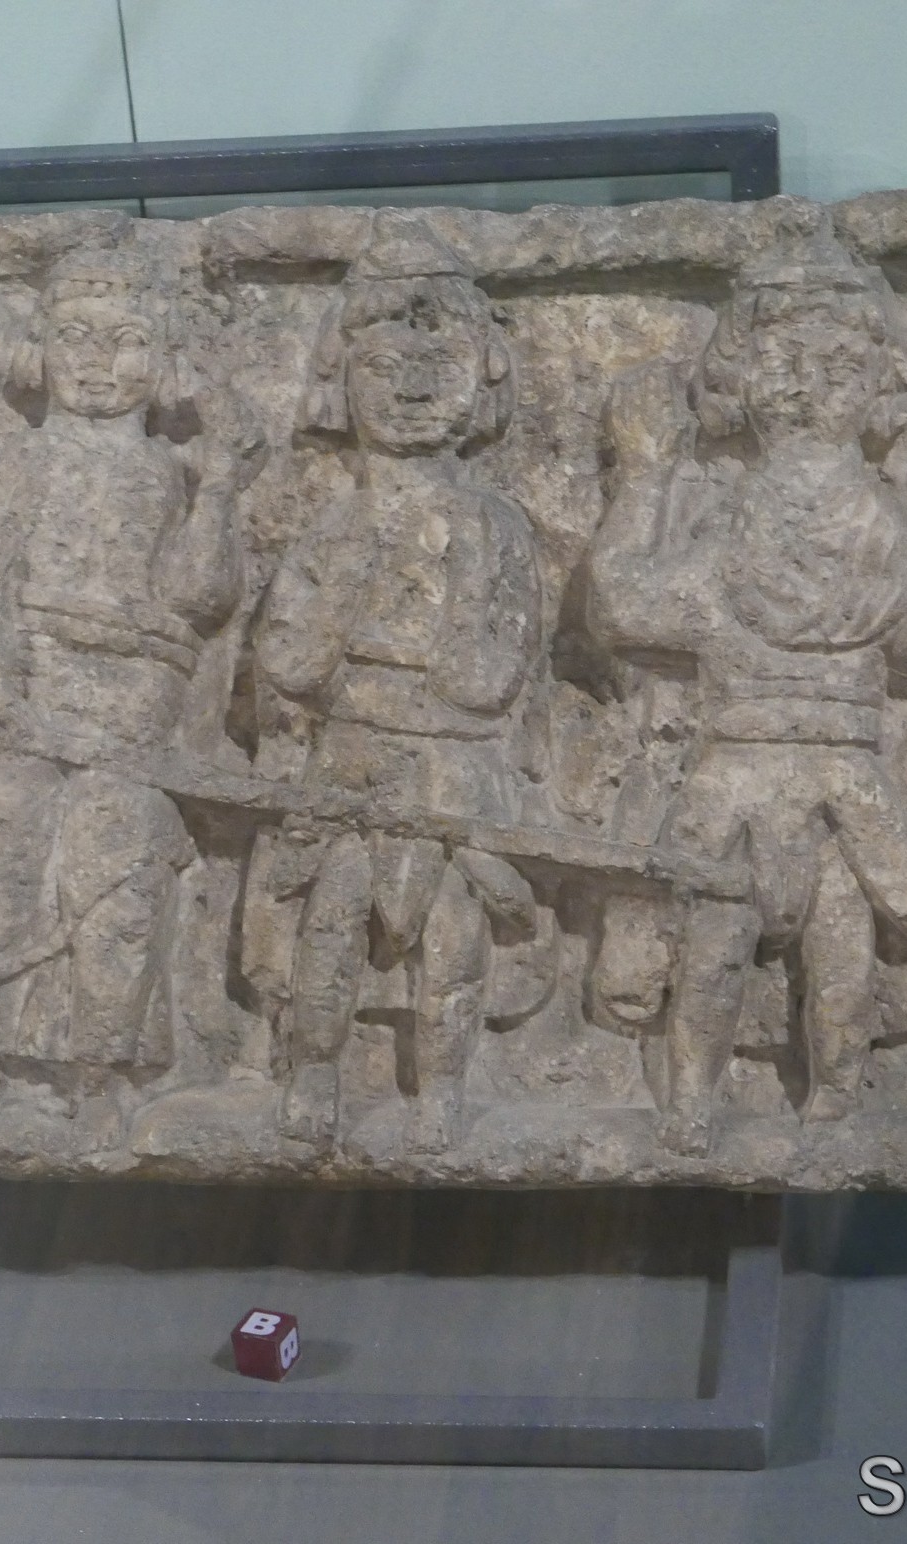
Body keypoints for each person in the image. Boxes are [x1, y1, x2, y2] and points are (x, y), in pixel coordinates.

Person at [587, 221, 907, 1154]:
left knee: (841, 957)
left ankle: (835, 1106)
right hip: (736, 766)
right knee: (712, 953)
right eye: (783, 357)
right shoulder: (733, 514)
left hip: (840, 771)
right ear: (739, 374)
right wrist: (647, 477)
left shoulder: (876, 526)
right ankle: (693, 1106)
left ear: (880, 382)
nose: (807, 382)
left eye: (837, 362)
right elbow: (624, 611)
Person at [0, 246, 258, 1121]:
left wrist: (221, 483)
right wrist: (0, 679)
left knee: (120, 870)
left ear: (166, 361)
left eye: (127, 341)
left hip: (140, 695)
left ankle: (101, 1070)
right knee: (1, 845)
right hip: (38, 677)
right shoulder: (26, 457)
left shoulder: (171, 473)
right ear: (39, 352)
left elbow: (201, 596)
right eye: (76, 338)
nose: (100, 363)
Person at [248, 214, 542, 1155]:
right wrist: (352, 599)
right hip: (353, 755)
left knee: (453, 937)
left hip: (456, 765)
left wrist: (420, 609)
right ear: (344, 379)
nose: (413, 391)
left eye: (439, 367)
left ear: (481, 378)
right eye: (385, 368)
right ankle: (314, 1074)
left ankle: (441, 1092)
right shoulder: (333, 527)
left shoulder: (496, 527)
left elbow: (487, 678)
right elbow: (290, 663)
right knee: (331, 925)